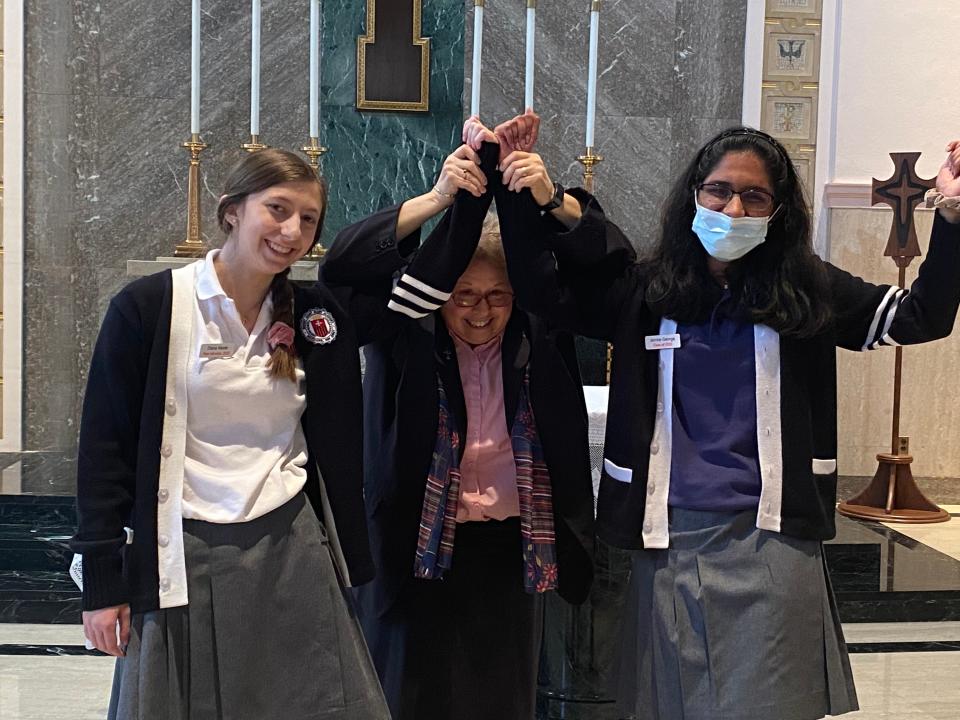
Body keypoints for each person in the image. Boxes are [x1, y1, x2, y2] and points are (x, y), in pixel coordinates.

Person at [493, 120, 960, 720]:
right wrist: (526, 193)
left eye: (754, 196)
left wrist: (949, 218)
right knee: (674, 707)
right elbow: (539, 289)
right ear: (695, 194)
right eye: (718, 191)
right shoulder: (647, 291)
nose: (733, 207)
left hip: (772, 537)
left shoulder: (807, 289)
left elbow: (919, 316)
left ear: (777, 210)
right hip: (669, 538)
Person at [70, 148, 391, 719]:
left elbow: (418, 284)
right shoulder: (149, 307)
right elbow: (103, 449)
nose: (292, 231)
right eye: (277, 209)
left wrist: (442, 199)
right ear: (231, 212)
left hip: (291, 547)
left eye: (309, 218)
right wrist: (102, 583)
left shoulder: (317, 316)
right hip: (182, 552)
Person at [319, 127, 598, 720]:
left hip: (508, 545)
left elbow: (604, 258)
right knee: (408, 695)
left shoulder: (540, 335)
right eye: (463, 294)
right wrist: (449, 198)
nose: (480, 309)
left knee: (503, 697)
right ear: (439, 294)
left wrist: (533, 193)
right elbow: (341, 265)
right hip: (414, 541)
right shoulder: (406, 331)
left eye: (497, 295)